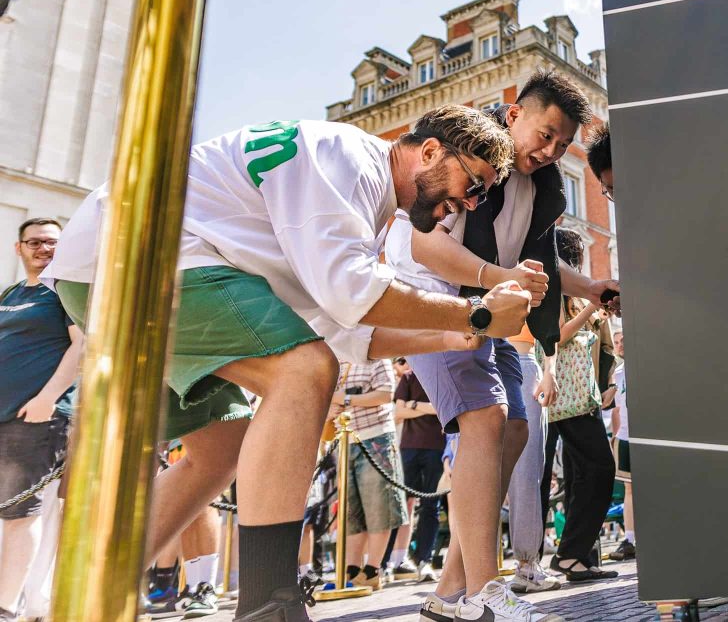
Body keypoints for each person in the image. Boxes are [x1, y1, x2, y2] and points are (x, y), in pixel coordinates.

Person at [44, 107, 531, 622]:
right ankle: (267, 604)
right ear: (431, 151)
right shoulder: (350, 161)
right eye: (472, 184)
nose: (468, 205)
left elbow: (343, 326)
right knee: (303, 371)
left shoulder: (355, 197)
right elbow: (353, 297)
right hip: (143, 255)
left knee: (222, 447)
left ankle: (84, 603)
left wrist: (454, 332)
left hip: (113, 264)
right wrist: (476, 312)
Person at [386, 71, 619, 622]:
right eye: (546, 134)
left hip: (491, 307)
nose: (551, 150)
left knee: (512, 428)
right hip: (434, 298)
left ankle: (449, 593)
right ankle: (483, 595)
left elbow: (533, 258)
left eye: (563, 145)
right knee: (485, 421)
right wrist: (499, 277)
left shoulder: (541, 188)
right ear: (514, 115)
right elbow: (424, 245)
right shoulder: (474, 152)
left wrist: (591, 287)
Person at [0, 218, 83, 622]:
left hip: (35, 418)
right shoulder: (11, 293)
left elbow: (83, 346)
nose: (43, 248)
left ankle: (6, 607)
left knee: (22, 513)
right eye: (34, 242)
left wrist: (47, 399)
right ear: (19, 248)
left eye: (52, 242)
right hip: (3, 415)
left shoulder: (65, 291)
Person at [543, 228, 617, 583]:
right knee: (601, 469)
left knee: (580, 476)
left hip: (578, 396)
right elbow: (557, 334)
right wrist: (592, 300)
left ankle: (579, 558)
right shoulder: (558, 287)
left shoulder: (568, 292)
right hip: (567, 398)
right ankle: (571, 554)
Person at [333, 358, 406, 592]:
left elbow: (385, 393)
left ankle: (373, 569)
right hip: (345, 442)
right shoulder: (340, 363)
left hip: (376, 440)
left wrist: (346, 399)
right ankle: (352, 570)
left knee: (378, 506)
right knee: (351, 511)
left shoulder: (378, 359)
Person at [506, 325, 561, 595]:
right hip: (504, 360)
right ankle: (525, 566)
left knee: (524, 471)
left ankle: (525, 565)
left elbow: (551, 328)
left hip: (506, 360)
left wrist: (549, 370)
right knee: (524, 471)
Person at [393, 357, 445, 583]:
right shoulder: (408, 377)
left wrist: (412, 404)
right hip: (409, 447)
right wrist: (426, 408)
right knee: (402, 503)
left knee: (431, 505)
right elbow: (398, 412)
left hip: (436, 447)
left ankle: (424, 559)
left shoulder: (442, 375)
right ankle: (391, 561)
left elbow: (442, 408)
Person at [608, 330, 634, 562]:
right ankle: (631, 539)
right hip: (625, 437)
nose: (619, 346)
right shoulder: (617, 373)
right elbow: (617, 409)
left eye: (623, 341)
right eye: (616, 342)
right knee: (629, 489)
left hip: (643, 436)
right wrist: (616, 436)